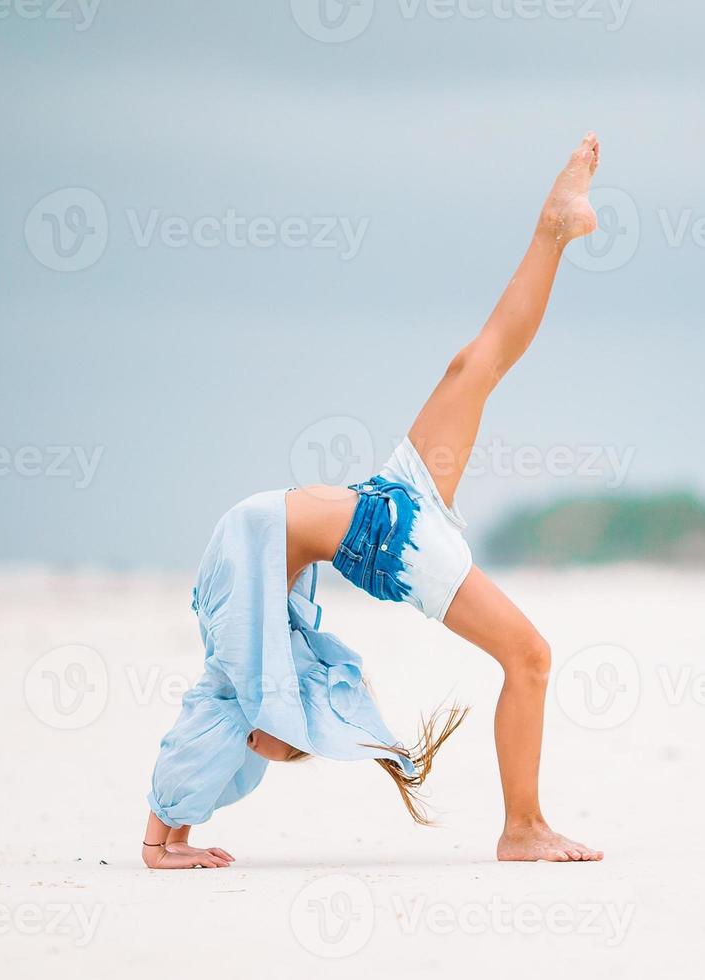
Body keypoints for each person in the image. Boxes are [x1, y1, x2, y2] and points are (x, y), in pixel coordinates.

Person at [140, 133, 606, 869]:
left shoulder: (250, 606)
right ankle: (523, 827)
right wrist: (162, 838)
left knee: (476, 362)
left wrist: (166, 833)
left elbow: (229, 696)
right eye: (281, 741)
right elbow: (226, 702)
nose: (270, 739)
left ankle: (553, 228)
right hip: (390, 537)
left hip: (385, 501)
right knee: (531, 657)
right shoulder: (254, 621)